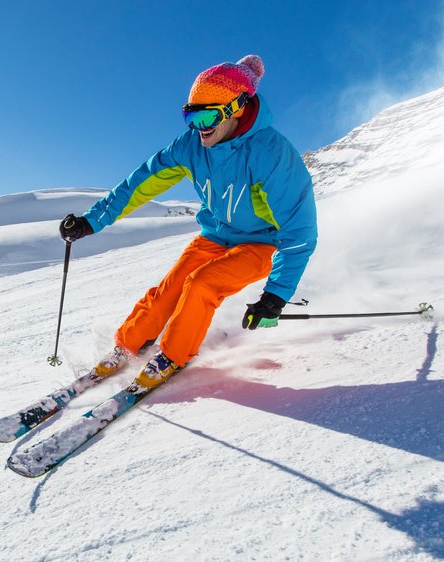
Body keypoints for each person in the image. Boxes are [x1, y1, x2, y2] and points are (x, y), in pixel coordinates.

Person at [59, 54, 317, 390]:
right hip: (215, 236)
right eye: (190, 116)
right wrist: (92, 221)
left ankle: (173, 356)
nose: (199, 127)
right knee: (171, 288)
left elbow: (299, 230)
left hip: (262, 242)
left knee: (202, 284)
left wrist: (276, 295)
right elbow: (141, 182)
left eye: (208, 115)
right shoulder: (192, 146)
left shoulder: (271, 153)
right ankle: (128, 344)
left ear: (236, 109)